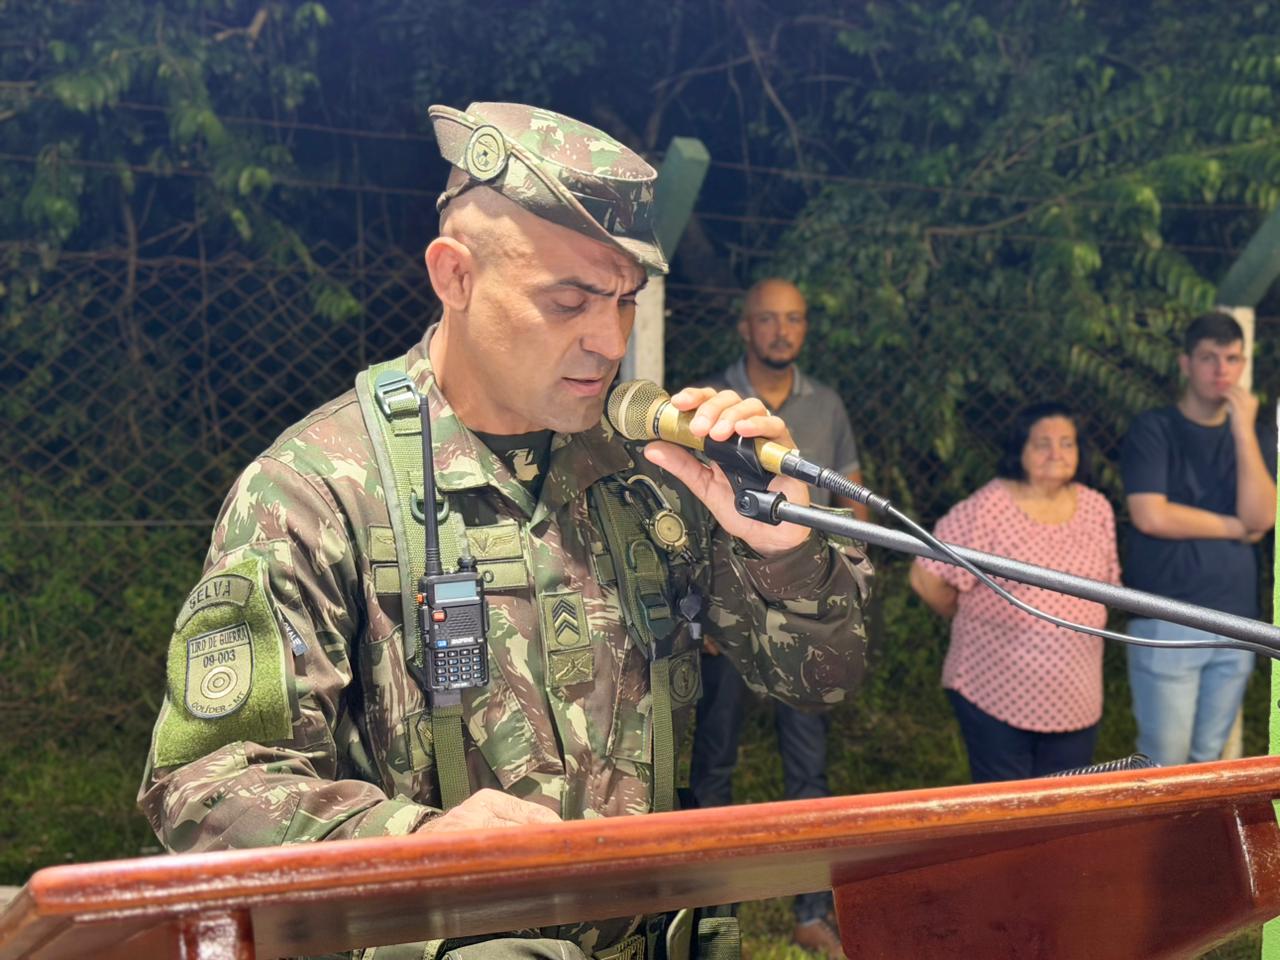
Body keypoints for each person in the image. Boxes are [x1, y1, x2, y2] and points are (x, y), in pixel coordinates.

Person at [137, 102, 873, 960]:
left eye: (625, 302)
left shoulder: (653, 472)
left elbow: (824, 680)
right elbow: (205, 783)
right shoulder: (317, 492)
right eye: (569, 301)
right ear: (454, 275)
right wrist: (410, 842)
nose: (609, 341)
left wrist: (778, 545)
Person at [686, 278, 864, 956]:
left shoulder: (827, 405)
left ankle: (812, 910)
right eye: (768, 319)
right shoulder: (710, 405)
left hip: (803, 611)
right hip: (728, 617)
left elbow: (851, 503)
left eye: (794, 318)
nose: (782, 331)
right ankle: (714, 916)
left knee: (808, 766)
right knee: (713, 766)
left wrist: (842, 583)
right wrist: (702, 612)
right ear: (745, 326)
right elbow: (690, 507)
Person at [908, 403, 1120, 782]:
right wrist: (967, 614)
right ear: (1019, 450)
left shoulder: (1096, 507)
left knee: (1067, 801)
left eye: (1067, 443)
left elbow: (1109, 588)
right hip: (995, 691)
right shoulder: (990, 506)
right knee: (1008, 804)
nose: (1056, 453)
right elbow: (926, 576)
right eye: (1042, 444)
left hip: (1076, 695)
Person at [1121, 312, 1276, 767]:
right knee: (1163, 761)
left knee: (1210, 761)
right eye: (1209, 357)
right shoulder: (1155, 428)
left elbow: (1262, 516)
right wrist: (1235, 528)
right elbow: (1151, 515)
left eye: (1232, 359)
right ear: (1185, 363)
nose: (1221, 370)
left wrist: (1242, 429)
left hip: (1235, 620)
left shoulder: (1255, 436)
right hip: (1169, 614)